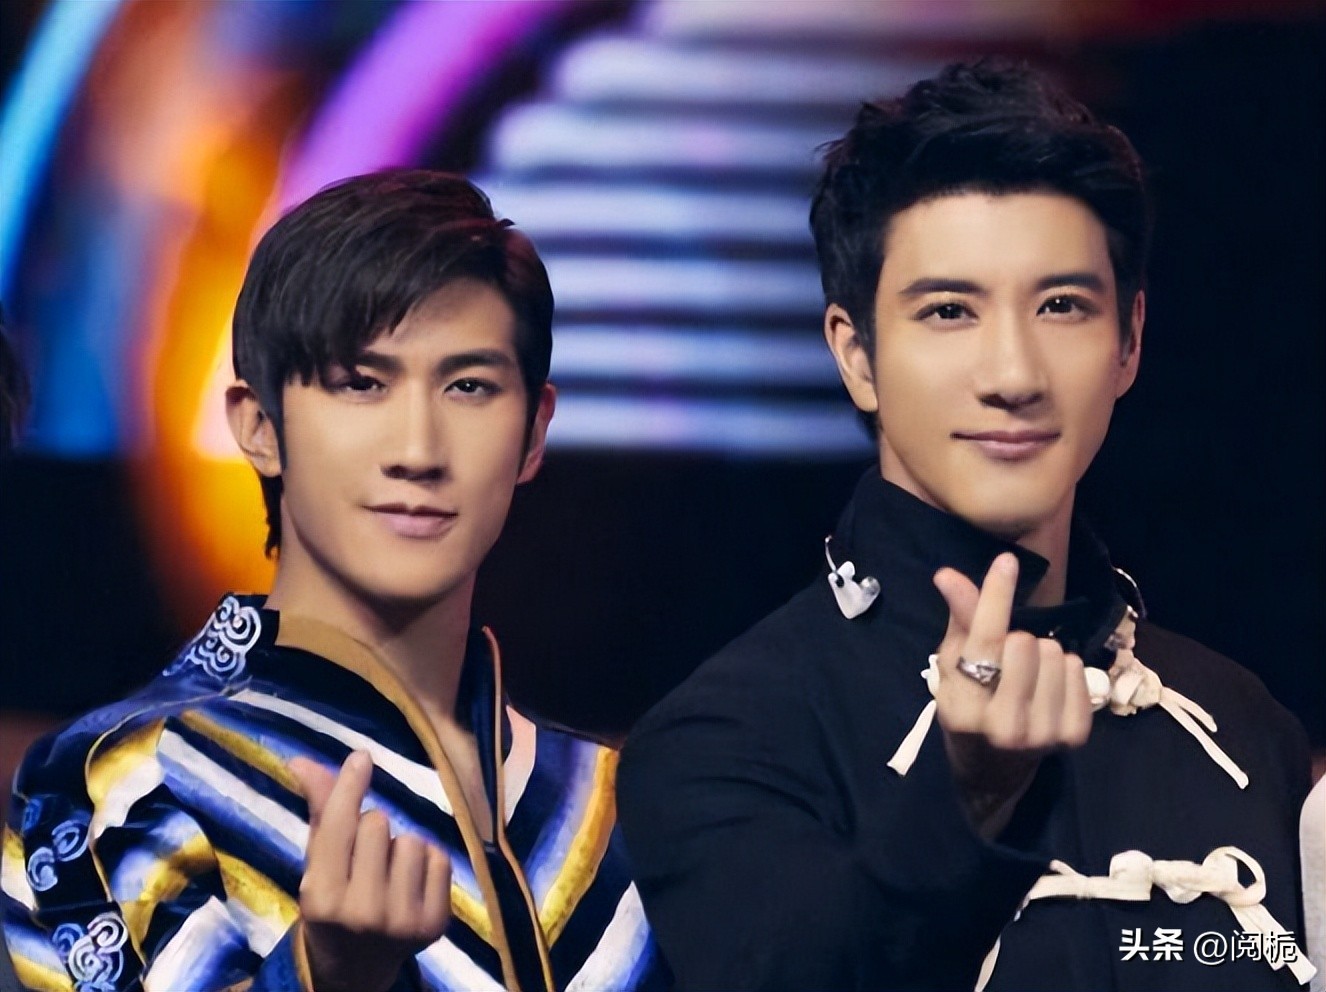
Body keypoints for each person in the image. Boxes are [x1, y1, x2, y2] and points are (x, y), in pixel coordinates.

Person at [617, 62, 1315, 991]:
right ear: (856, 356)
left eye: (1062, 306)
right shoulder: (724, 741)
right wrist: (967, 800)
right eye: (949, 311)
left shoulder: (1242, 729)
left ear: (1130, 341)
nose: (1013, 374)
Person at [2, 171, 664, 991]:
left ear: (534, 432)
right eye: (361, 384)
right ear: (258, 426)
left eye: (469, 387)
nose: (418, 449)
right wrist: (324, 971)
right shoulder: (124, 783)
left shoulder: (622, 803)